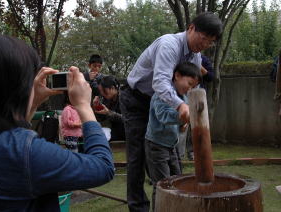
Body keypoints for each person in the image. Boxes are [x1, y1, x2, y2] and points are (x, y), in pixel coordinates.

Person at [0, 34, 114, 211]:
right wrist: (84, 106)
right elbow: (103, 167)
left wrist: (32, 102)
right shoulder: (27, 154)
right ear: (19, 89)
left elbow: (3, 129)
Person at [119, 12, 222, 211]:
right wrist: (181, 106)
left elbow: (190, 86)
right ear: (191, 28)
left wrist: (191, 108)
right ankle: (138, 207)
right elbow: (160, 83)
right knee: (137, 157)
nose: (205, 44)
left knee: (170, 154)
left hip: (161, 103)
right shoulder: (169, 44)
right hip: (137, 100)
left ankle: (171, 203)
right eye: (203, 38)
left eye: (210, 42)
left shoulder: (196, 56)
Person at [145, 62, 201, 211]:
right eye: (189, 83)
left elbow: (182, 119)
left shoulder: (183, 96)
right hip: (156, 145)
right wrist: (182, 117)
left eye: (193, 86)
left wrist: (183, 124)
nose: (189, 88)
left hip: (171, 145)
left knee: (178, 179)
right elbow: (163, 115)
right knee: (162, 185)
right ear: (177, 76)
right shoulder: (161, 94)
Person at [93, 75, 125, 141]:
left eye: (103, 90)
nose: (101, 93)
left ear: (112, 88)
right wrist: (97, 107)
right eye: (100, 91)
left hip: (127, 133)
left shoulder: (124, 97)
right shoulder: (107, 99)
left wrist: (108, 112)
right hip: (114, 132)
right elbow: (102, 119)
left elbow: (127, 119)